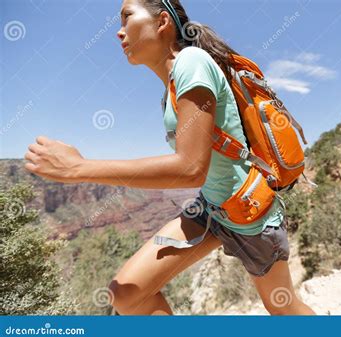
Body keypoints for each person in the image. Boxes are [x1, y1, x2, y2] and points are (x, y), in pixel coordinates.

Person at [24, 0, 315, 315]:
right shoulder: (173, 84)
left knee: (285, 310)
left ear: (163, 22)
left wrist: (78, 168)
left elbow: (190, 168)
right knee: (126, 295)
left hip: (249, 213)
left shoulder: (192, 62)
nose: (119, 33)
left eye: (126, 18)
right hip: (210, 209)